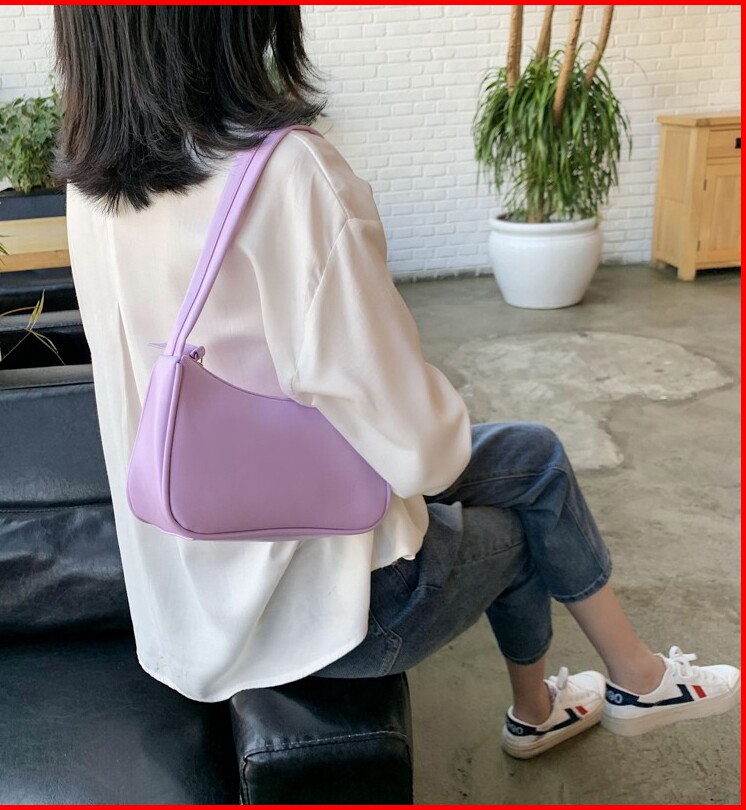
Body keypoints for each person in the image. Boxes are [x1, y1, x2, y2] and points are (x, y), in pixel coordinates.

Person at [54, 6, 739, 759]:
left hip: (184, 597)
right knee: (524, 522)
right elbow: (423, 457)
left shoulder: (89, 187)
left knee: (532, 454)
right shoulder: (286, 172)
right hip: (329, 611)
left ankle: (606, 689)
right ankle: (570, 699)